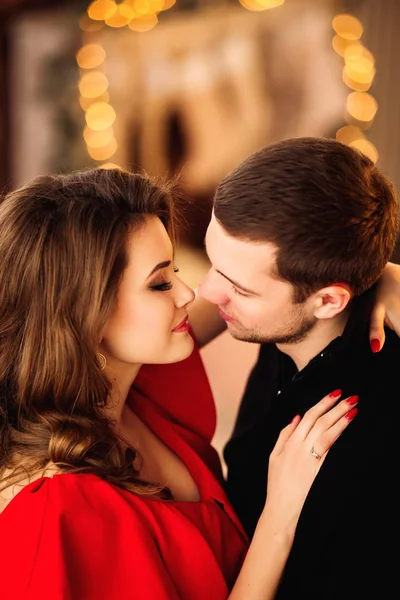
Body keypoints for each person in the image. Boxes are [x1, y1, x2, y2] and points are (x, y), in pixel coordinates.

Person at [0, 168, 358, 600]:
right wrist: (280, 514)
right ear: (83, 314)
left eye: (175, 269)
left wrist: (369, 280)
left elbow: (260, 288)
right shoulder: (56, 510)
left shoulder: (142, 382)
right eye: (160, 283)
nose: (189, 293)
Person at [197, 137, 400, 599]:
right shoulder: (285, 322)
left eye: (240, 289)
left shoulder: (373, 446)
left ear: (328, 300)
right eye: (213, 264)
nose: (207, 293)